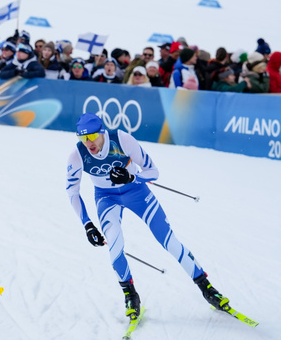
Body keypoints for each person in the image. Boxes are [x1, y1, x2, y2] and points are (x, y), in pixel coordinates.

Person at [67, 113, 235, 327]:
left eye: (91, 136)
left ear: (101, 132)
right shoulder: (77, 154)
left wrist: (131, 177)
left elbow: (153, 171)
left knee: (168, 240)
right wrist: (87, 224)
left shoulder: (122, 140)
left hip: (136, 192)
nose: (88, 143)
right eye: (83, 138)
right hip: (106, 198)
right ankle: (131, 296)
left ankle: (207, 288)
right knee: (115, 247)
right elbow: (72, 192)